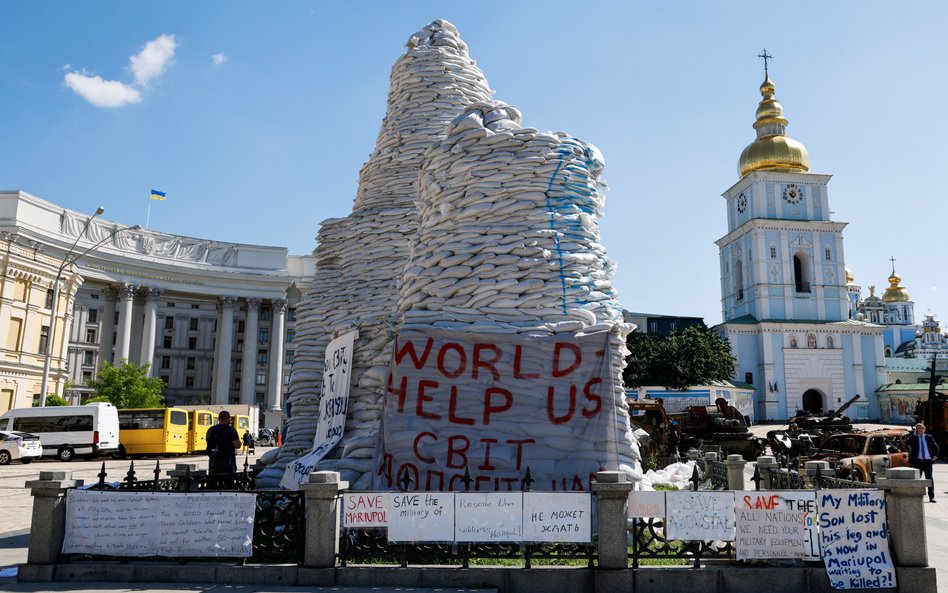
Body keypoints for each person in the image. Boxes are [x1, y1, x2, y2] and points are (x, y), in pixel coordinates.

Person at [907, 423, 939, 502]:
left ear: (924, 429)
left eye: (921, 428)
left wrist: (935, 456)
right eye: (918, 428)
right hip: (918, 461)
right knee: (916, 479)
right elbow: (908, 442)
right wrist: (914, 434)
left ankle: (931, 497)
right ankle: (915, 495)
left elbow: (936, 447)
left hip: (927, 461)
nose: (920, 430)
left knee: (929, 478)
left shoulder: (929, 437)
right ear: (916, 430)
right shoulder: (913, 438)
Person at [206, 411, 241, 475]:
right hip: (227, 463)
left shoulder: (211, 430)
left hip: (213, 463)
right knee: (227, 482)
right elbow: (237, 445)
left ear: (218, 418)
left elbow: (208, 443)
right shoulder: (231, 430)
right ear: (228, 419)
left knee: (213, 482)